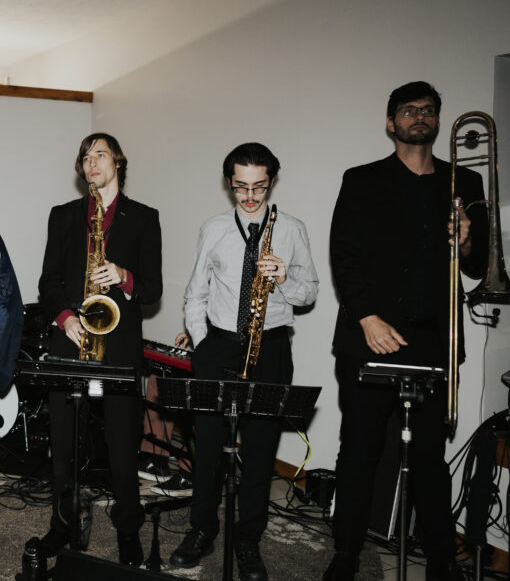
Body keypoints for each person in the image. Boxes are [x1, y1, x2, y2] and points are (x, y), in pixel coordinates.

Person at [324, 82, 485, 581]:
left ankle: (440, 561)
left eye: (429, 110)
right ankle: (346, 555)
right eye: (409, 110)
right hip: (370, 335)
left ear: (437, 120)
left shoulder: (466, 183)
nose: (420, 116)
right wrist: (367, 318)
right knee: (360, 452)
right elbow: (343, 255)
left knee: (431, 458)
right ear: (391, 122)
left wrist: (467, 238)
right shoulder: (362, 180)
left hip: (434, 340)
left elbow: (478, 265)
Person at [172, 142, 318, 580]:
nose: (250, 197)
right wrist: (204, 344)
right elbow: (195, 293)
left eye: (259, 187)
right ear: (229, 183)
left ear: (271, 181)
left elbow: (309, 293)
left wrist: (285, 278)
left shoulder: (292, 229)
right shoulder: (214, 228)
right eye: (241, 187)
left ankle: (248, 539)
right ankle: (202, 529)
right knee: (207, 447)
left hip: (271, 345)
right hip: (219, 343)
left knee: (260, 449)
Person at [36, 132, 163, 566]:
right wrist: (65, 318)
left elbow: (152, 289)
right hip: (71, 338)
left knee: (123, 443)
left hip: (120, 343)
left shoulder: (144, 218)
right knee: (64, 442)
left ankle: (127, 527)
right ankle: (61, 524)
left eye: (101, 154)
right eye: (86, 156)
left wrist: (123, 276)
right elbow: (48, 282)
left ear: (118, 162)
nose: (92, 162)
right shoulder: (63, 216)